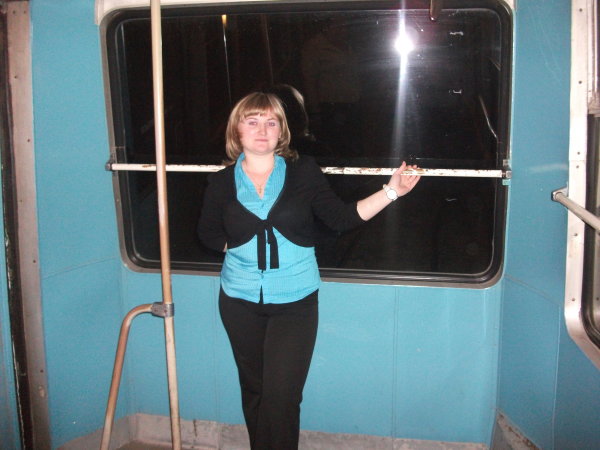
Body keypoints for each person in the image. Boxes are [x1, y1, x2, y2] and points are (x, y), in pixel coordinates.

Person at [197, 92, 420, 450]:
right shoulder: (221, 182)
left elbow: (341, 218)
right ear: (236, 130)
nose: (262, 130)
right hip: (238, 301)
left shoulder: (303, 172)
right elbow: (207, 233)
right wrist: (240, 249)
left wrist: (391, 193)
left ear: (282, 131)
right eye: (252, 121)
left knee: (281, 397)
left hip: (295, 301)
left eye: (271, 122)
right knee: (255, 390)